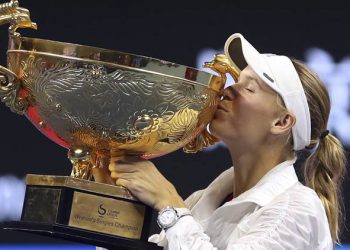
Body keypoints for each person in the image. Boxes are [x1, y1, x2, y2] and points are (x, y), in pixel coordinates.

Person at [102, 33, 347, 249]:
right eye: (236, 82)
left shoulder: (297, 210)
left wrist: (169, 202)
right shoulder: (203, 201)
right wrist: (108, 200)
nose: (227, 91)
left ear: (282, 122)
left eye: (249, 89)